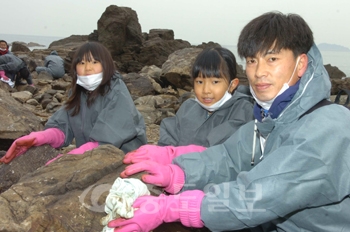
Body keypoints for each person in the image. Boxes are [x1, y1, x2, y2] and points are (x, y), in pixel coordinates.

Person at [109, 12, 350, 231]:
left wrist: (173, 208)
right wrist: (177, 172)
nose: (258, 72)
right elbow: (227, 158)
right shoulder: (270, 121)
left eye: (272, 59)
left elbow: (260, 195)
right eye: (252, 60)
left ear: (301, 64)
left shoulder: (328, 126)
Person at [0, 41, 147, 164]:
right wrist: (38, 138)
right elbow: (63, 127)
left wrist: (68, 159)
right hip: (91, 159)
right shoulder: (79, 93)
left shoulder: (117, 91)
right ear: (75, 68)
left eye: (94, 62)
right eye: (82, 63)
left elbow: (106, 141)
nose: (88, 68)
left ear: (106, 65)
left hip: (125, 160)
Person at [158, 47, 254, 147]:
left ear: (232, 84)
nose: (206, 90)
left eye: (215, 82)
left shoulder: (243, 111)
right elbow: (168, 137)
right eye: (200, 82)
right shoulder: (188, 107)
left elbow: (222, 151)